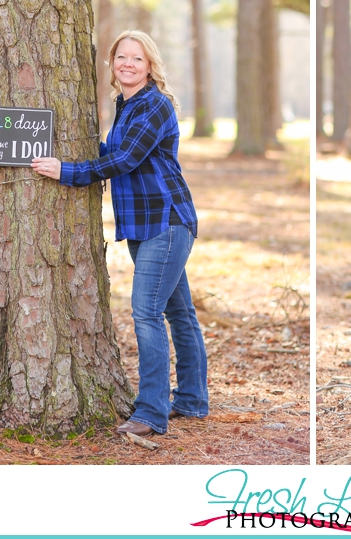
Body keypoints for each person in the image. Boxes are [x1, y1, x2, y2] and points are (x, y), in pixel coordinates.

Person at [31, 30, 207, 436]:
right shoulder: (123, 104)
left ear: (150, 66)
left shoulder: (155, 106)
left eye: (137, 59)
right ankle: (193, 400)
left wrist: (68, 172)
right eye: (121, 57)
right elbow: (113, 151)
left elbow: (125, 159)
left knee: (147, 314)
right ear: (112, 63)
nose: (128, 64)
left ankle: (150, 412)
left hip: (166, 220)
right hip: (142, 225)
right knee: (179, 312)